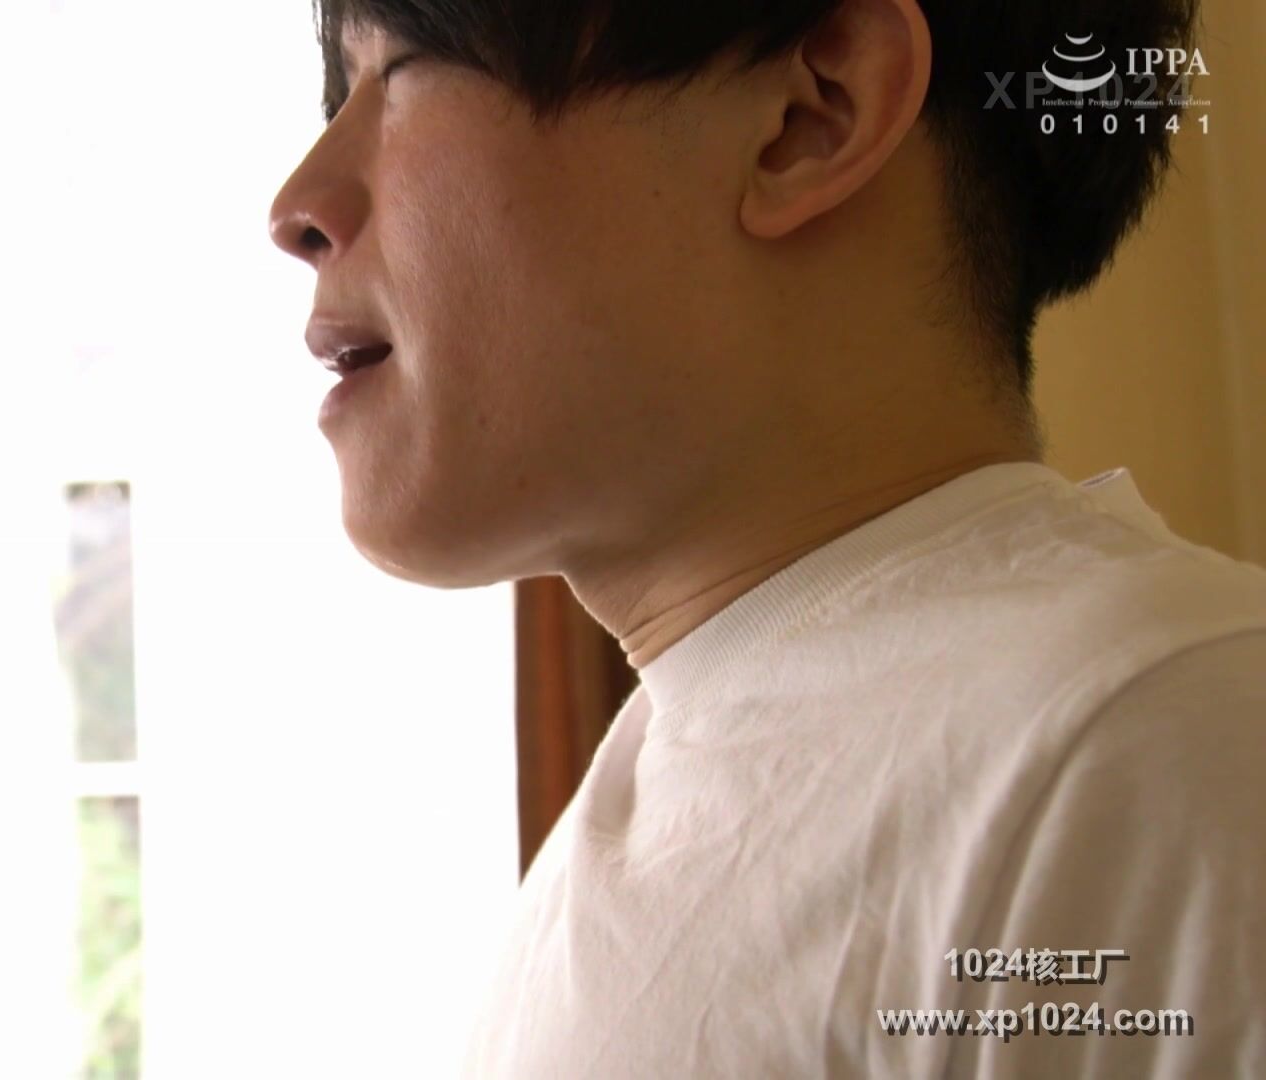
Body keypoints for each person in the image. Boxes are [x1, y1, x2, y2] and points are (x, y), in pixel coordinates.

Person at [266, 0, 1266, 1074]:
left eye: (406, 66)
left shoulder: (1157, 749)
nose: (296, 207)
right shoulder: (638, 810)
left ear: (810, 114)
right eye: (340, 96)